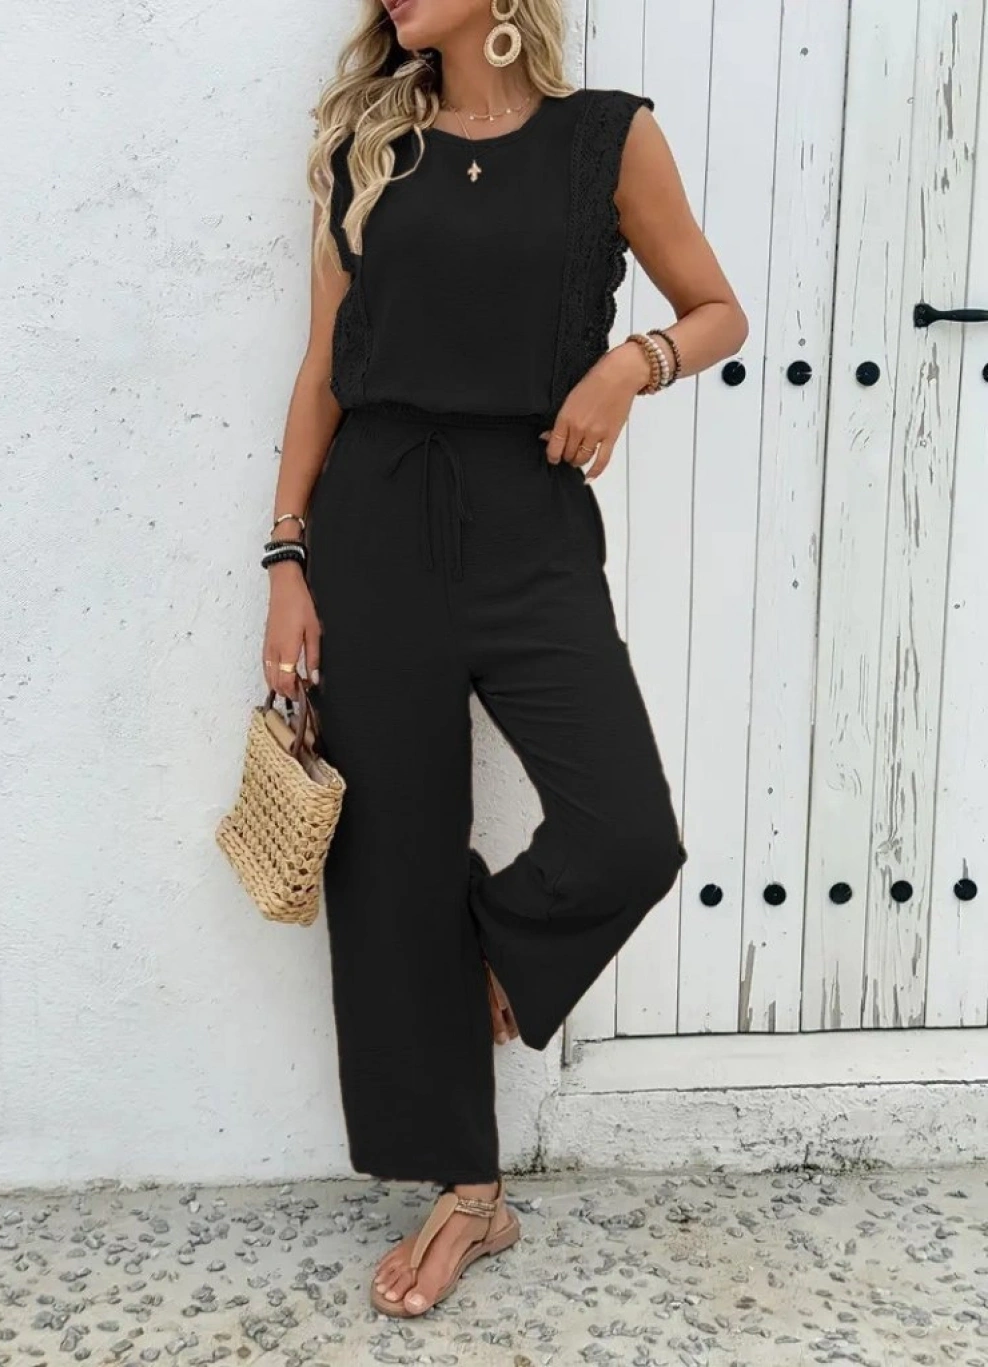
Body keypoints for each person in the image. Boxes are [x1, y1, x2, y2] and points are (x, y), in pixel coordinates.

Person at [260, 0, 747, 1319]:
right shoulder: (370, 147)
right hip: (374, 523)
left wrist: (632, 364)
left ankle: (481, 954)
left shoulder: (608, 140)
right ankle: (469, 1194)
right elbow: (323, 369)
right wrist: (286, 557)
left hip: (531, 519)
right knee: (394, 857)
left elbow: (719, 311)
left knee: (626, 831)